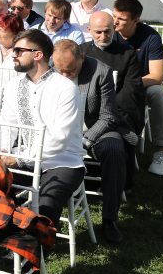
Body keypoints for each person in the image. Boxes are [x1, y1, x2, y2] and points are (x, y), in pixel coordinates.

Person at [0, 29, 85, 228]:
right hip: (24, 156)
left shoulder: (66, 88)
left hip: (63, 161)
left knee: (46, 201)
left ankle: (36, 248)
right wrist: (2, 151)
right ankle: (10, 234)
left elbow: (60, 139)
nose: (12, 55)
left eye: (18, 51)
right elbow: (5, 124)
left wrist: (19, 160)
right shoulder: (14, 85)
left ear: (38, 55)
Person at [52, 40, 131, 243]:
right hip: (58, 130)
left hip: (94, 128)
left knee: (114, 148)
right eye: (59, 69)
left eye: (69, 70)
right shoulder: (50, 70)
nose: (63, 74)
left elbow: (108, 116)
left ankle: (109, 220)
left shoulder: (101, 72)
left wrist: (86, 140)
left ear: (82, 58)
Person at [112, 0, 163, 176]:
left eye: (121, 19)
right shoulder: (108, 32)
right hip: (111, 85)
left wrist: (130, 84)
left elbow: (157, 76)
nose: (114, 22)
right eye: (114, 16)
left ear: (135, 20)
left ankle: (161, 152)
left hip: (139, 86)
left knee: (158, 92)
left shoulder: (150, 36)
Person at [82, 11, 147, 141]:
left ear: (114, 28)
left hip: (118, 108)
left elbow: (131, 88)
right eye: (98, 32)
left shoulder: (128, 54)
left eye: (107, 31)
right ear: (89, 30)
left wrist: (107, 108)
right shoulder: (80, 52)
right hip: (85, 108)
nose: (103, 36)